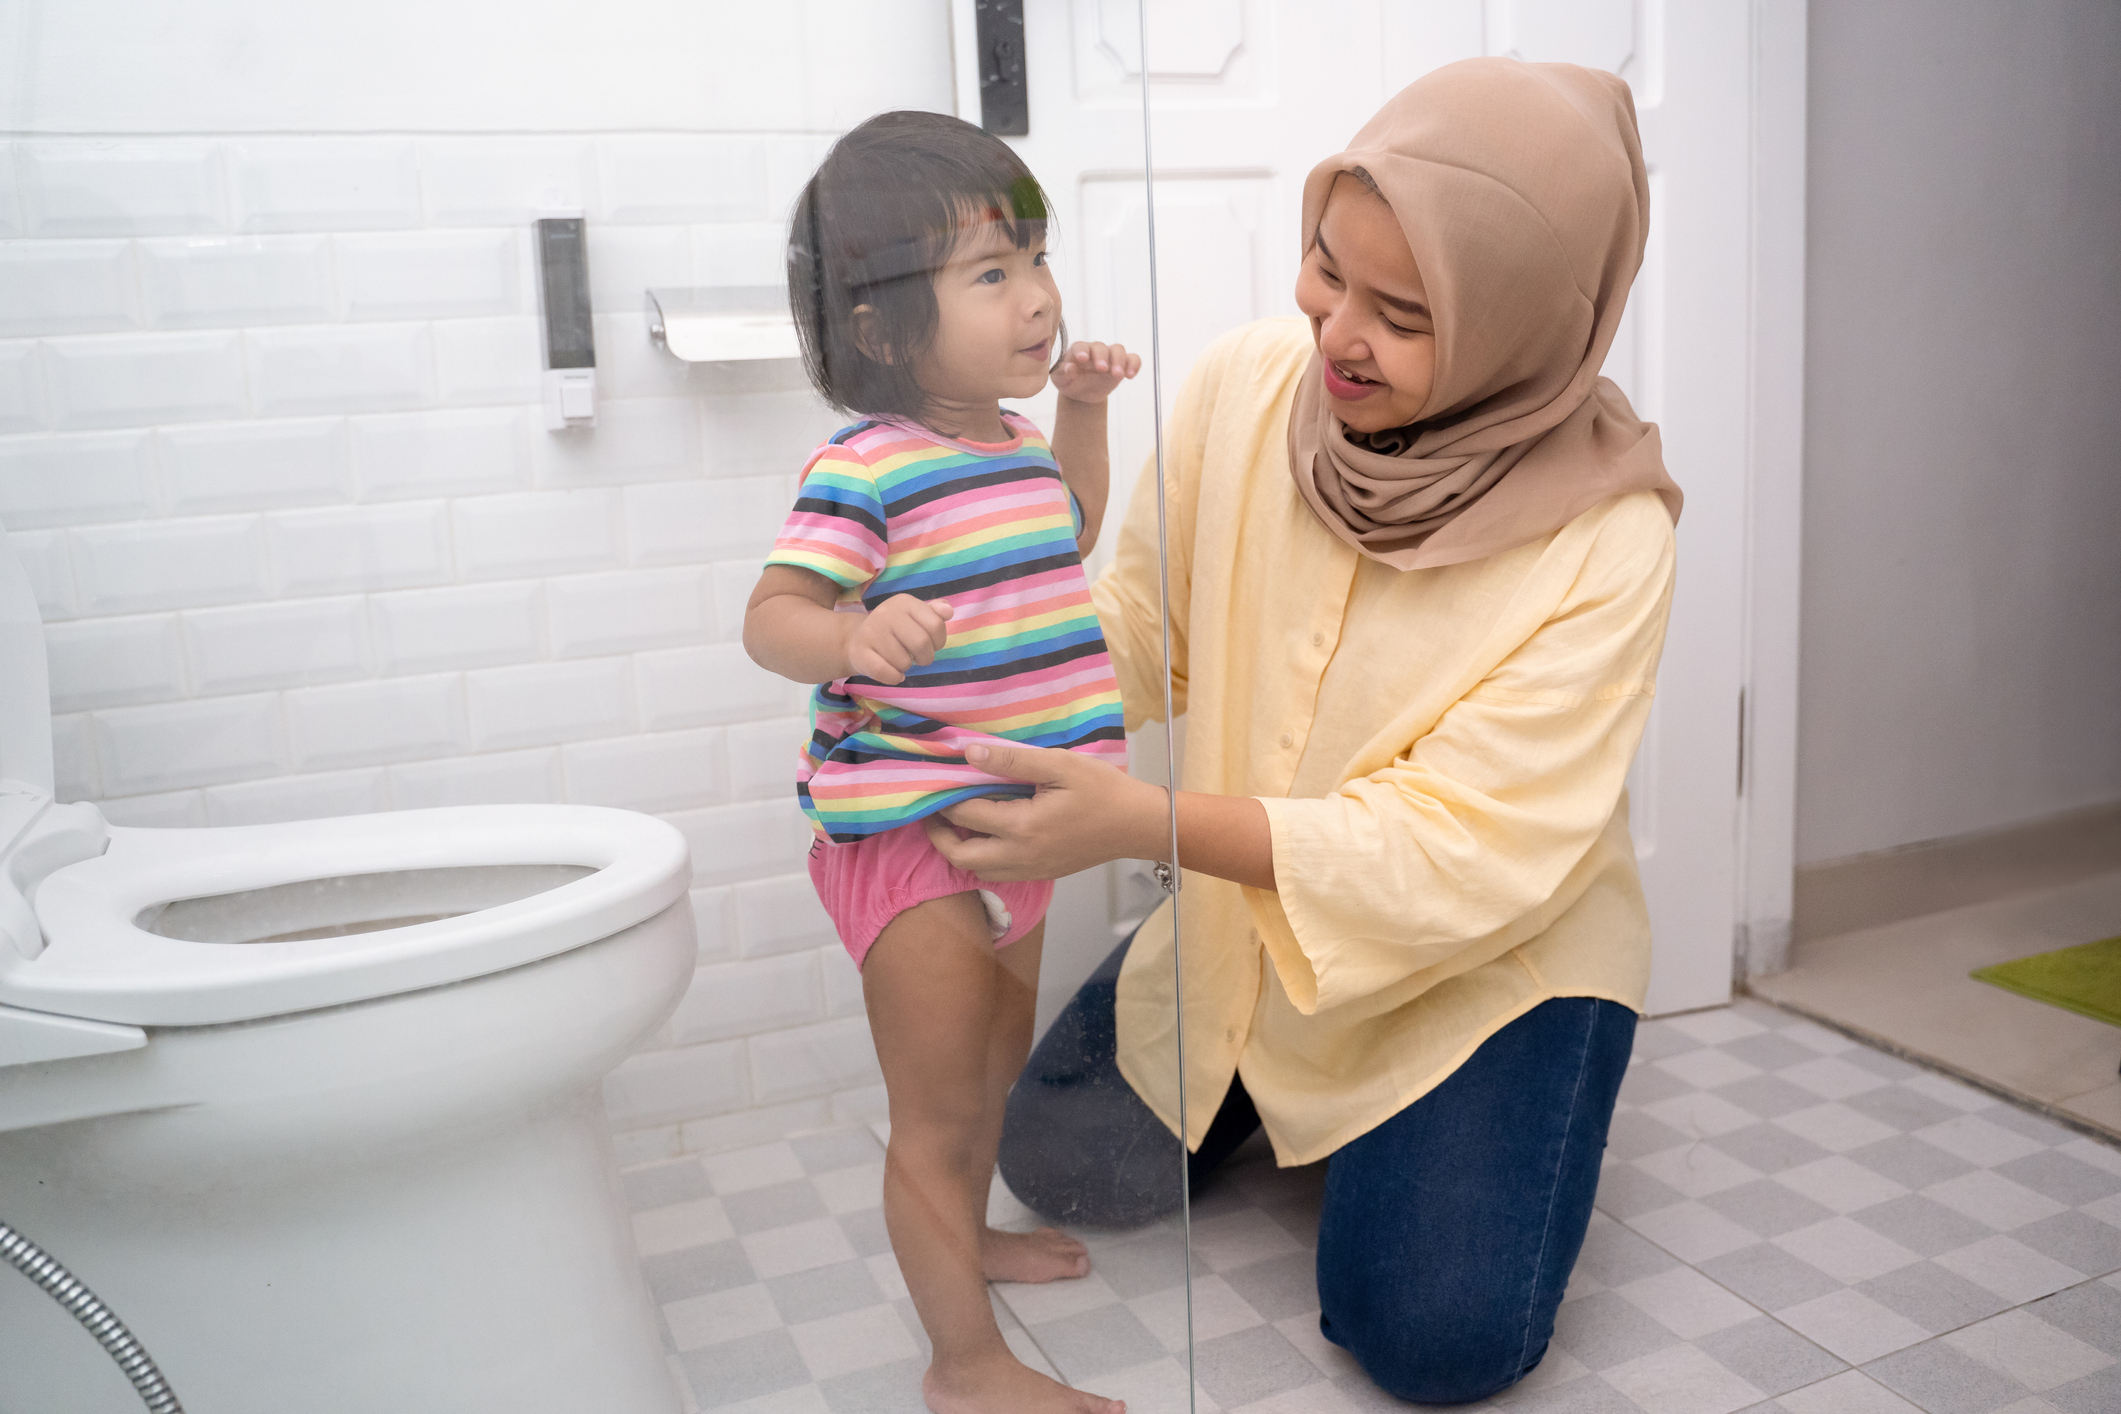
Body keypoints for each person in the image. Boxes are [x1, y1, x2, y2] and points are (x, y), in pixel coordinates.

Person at [922, 60, 1684, 1404]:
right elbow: (1147, 631)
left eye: (1405, 315)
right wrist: (961, 659)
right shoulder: (1245, 389)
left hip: (1478, 962)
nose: (1337, 332)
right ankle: (1280, 1089)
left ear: (1520, 326)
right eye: (1327, 267)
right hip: (1249, 912)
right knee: (1058, 1165)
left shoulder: (1605, 539)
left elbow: (1452, 850)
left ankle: (1468, 1107)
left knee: (1435, 1341)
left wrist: (1147, 824)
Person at [741, 111, 1140, 1414]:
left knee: (992, 1061)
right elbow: (770, 618)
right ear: (877, 321)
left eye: (1034, 259)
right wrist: (852, 632)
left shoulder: (1014, 446)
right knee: (937, 1104)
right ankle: (961, 1364)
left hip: (1014, 825)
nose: (1036, 297)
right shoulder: (864, 471)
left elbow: (1069, 530)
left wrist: (1078, 410)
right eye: (991, 273)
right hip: (907, 832)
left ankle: (963, 1247)